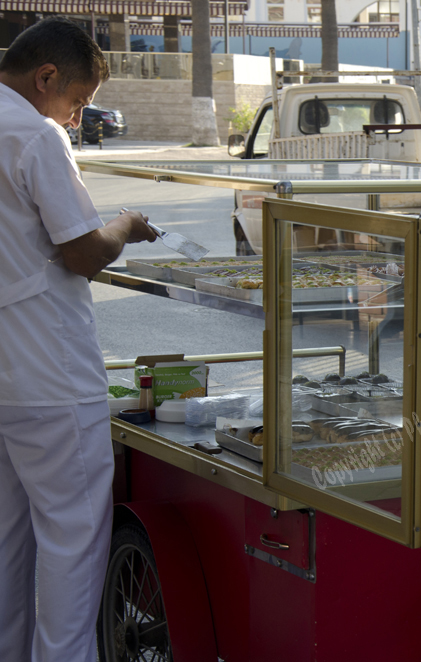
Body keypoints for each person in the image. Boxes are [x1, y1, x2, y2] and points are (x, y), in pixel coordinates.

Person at [0, 17, 156, 662]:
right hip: (47, 373)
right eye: (78, 103)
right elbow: (83, 254)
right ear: (47, 78)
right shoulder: (34, 134)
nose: (74, 118)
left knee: (8, 544)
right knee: (71, 539)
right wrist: (124, 224)